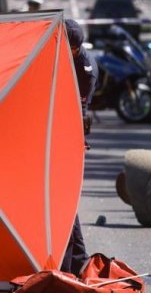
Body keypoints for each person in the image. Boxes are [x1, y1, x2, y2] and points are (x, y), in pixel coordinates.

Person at [62, 19, 97, 276]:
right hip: (57, 130)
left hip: (68, 134)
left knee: (65, 201)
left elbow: (78, 109)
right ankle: (76, 261)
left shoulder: (84, 68)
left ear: (75, 47)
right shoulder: (59, 55)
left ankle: (75, 262)